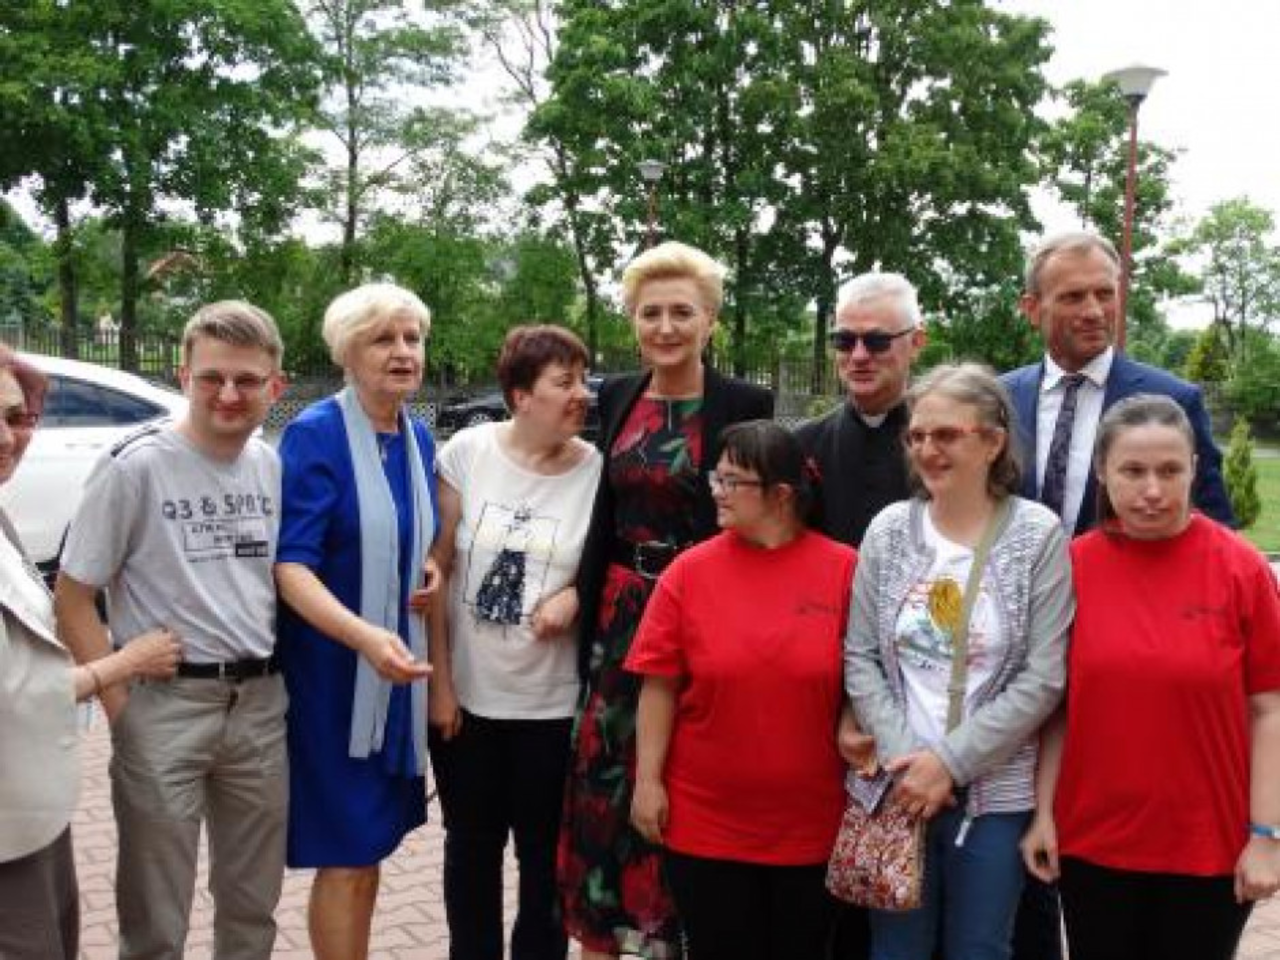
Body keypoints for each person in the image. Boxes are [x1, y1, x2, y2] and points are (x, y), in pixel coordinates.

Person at [1001, 230, 1236, 960]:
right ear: (1032, 307)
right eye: (1073, 295)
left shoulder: (1170, 398)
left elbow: (1212, 529)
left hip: (1119, 670)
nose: (1094, 309)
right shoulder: (1002, 399)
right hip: (1011, 671)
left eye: (1106, 293)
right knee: (1023, 885)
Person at [558, 240, 774, 959]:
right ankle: (600, 935)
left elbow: (755, 515)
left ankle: (676, 938)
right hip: (620, 618)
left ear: (710, 319)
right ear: (633, 321)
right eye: (650, 312)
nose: (666, 326)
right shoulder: (617, 395)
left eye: (683, 311)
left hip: (704, 613)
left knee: (686, 780)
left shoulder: (744, 404)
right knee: (604, 782)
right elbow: (600, 506)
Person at [54, 302, 289, 960]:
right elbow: (72, 597)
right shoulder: (134, 466)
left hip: (258, 706)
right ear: (184, 376)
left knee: (252, 908)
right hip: (164, 707)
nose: (228, 394)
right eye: (212, 377)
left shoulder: (269, 465)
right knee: (155, 919)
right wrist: (121, 705)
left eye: (247, 379)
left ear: (276, 385)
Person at [1020, 395, 1280, 960]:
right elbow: (1056, 707)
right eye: (1133, 471)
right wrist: (1043, 815)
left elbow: (1270, 710)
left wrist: (1267, 836)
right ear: (1102, 471)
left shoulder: (1241, 569)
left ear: (1194, 468)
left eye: (1170, 470)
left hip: (1208, 845)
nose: (1153, 490)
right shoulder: (1071, 567)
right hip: (1093, 842)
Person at [846, 363, 1073, 960]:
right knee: (896, 950)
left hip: (994, 796)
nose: (927, 450)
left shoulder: (1037, 535)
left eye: (946, 434)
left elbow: (1044, 675)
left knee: (980, 948)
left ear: (993, 442)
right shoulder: (889, 530)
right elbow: (860, 655)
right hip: (897, 787)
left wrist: (949, 763)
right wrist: (907, 762)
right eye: (917, 435)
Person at [627, 420, 855, 960]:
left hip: (810, 823)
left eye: (733, 481)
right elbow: (658, 685)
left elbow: (863, 679)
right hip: (706, 822)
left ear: (781, 494)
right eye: (717, 478)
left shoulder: (845, 569)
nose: (718, 492)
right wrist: (647, 782)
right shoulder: (689, 572)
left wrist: (853, 726)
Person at [428, 325, 603, 960]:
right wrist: (441, 685)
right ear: (521, 396)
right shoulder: (468, 452)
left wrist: (575, 596)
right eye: (565, 382)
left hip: (552, 708)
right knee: (470, 852)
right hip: (468, 703)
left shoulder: (598, 471)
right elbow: (438, 568)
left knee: (544, 861)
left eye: (583, 379)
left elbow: (611, 566)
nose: (582, 394)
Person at [274, 283, 438, 960]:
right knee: (345, 854)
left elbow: (406, 534)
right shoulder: (316, 435)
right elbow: (291, 566)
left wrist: (431, 562)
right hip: (335, 679)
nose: (402, 352)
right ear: (347, 353)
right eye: (382, 339)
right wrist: (365, 636)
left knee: (369, 850)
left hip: (396, 676)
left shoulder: (417, 436)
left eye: (412, 338)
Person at [0, 346, 181, 960]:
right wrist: (125, 665)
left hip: (30, 804)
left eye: (18, 417)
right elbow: (14, 689)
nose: (7, 437)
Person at [796, 271, 926, 548]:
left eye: (877, 341)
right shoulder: (803, 444)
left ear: (916, 343)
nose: (858, 356)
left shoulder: (944, 447)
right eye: (844, 341)